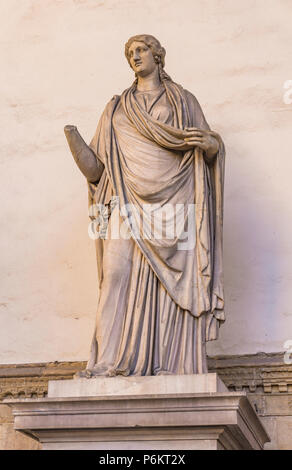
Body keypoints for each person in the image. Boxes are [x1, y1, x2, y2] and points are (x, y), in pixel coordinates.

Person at [64, 34, 225, 377]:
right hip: (124, 198)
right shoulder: (117, 107)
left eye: (141, 50)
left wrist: (211, 144)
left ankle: (173, 364)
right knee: (115, 275)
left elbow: (209, 148)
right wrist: (74, 139)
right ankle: (108, 361)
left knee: (172, 281)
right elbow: (97, 171)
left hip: (175, 201)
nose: (135, 56)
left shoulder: (183, 100)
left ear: (158, 56)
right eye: (130, 53)